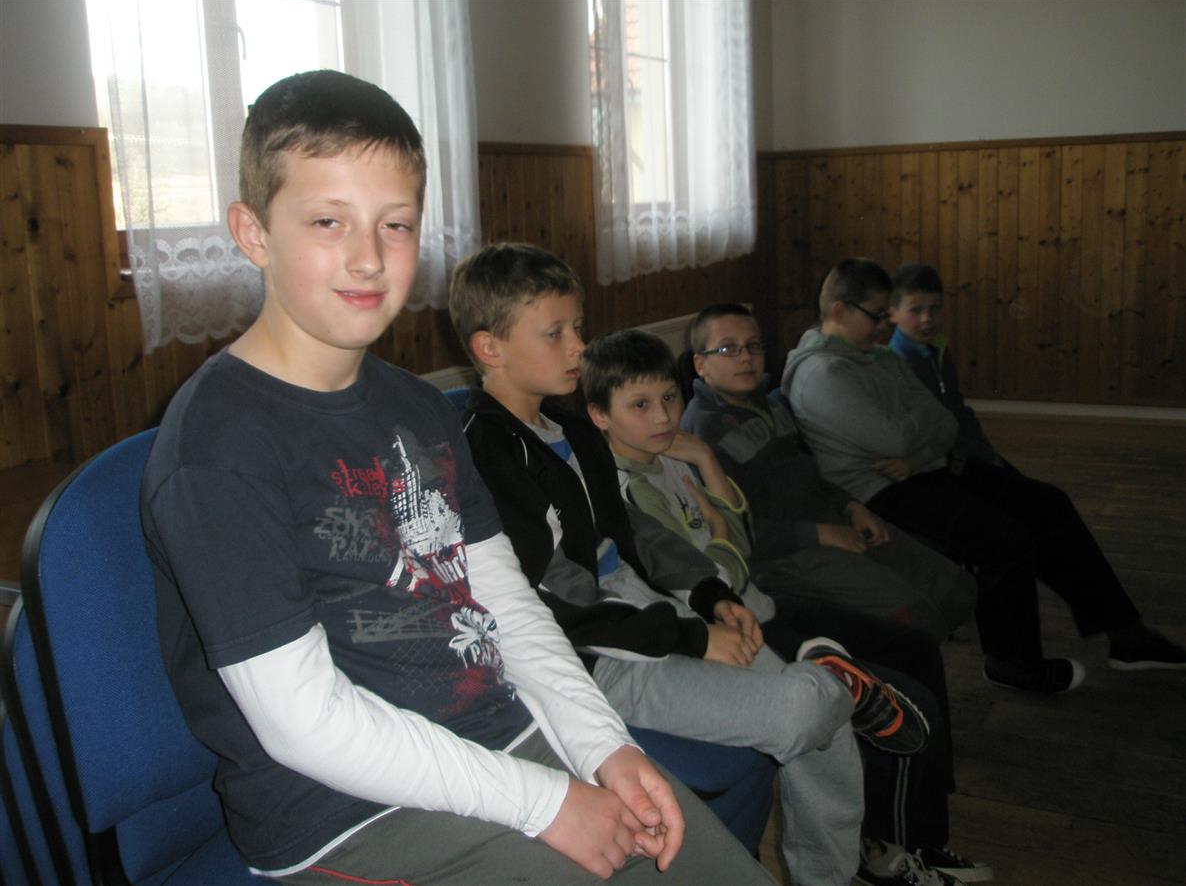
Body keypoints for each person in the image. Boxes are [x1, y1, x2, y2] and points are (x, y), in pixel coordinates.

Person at [141, 70, 775, 886]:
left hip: (497, 739)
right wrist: (546, 803)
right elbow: (304, 723)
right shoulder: (219, 446)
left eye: (396, 224)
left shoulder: (418, 406)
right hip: (343, 814)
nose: (368, 257)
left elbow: (505, 600)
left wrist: (602, 746)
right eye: (328, 221)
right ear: (253, 232)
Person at [450, 242, 936, 886]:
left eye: (578, 328)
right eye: (556, 333)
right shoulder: (485, 454)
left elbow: (633, 532)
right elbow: (550, 606)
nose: (579, 347)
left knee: (825, 728)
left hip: (644, 609)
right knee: (806, 711)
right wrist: (689, 636)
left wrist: (708, 596)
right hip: (593, 656)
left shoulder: (569, 425)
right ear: (490, 348)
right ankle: (831, 680)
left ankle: (826, 875)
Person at [583, 328, 992, 884]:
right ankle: (870, 846)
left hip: (754, 601)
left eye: (669, 397)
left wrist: (705, 461)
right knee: (849, 706)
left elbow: (742, 541)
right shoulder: (623, 489)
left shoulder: (675, 457)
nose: (663, 416)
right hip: (725, 622)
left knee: (912, 652)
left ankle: (895, 839)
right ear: (599, 416)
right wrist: (722, 532)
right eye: (640, 404)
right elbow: (714, 572)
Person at [781, 257, 1186, 693]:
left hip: (922, 469)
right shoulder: (823, 373)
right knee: (1005, 540)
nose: (885, 325)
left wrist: (915, 442)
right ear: (840, 310)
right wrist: (916, 434)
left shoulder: (876, 357)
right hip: (879, 492)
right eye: (877, 314)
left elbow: (945, 421)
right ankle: (1011, 662)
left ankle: (1126, 634)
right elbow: (895, 438)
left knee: (1048, 505)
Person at [679, 304, 976, 643]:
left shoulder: (770, 405)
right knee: (913, 613)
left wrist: (850, 505)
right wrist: (820, 534)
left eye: (754, 345)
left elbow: (809, 472)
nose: (746, 357)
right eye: (728, 348)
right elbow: (734, 532)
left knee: (956, 587)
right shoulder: (704, 433)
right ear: (701, 364)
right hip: (781, 556)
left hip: (830, 520)